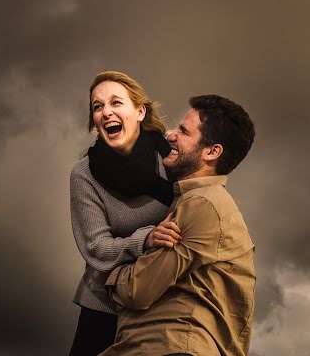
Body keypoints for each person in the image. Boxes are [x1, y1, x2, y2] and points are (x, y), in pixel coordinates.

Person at [100, 94, 257, 356]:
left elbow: (137, 290)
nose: (171, 135)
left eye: (184, 131)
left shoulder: (203, 205)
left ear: (212, 152)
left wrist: (114, 275)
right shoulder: (192, 203)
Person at [68, 71, 182, 356]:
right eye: (97, 106)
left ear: (140, 111)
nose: (106, 112)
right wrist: (146, 240)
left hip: (163, 299)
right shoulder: (84, 175)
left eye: (116, 103)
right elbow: (97, 248)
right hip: (106, 305)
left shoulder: (169, 156)